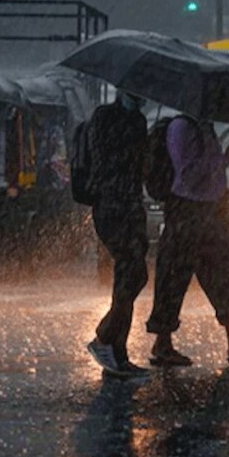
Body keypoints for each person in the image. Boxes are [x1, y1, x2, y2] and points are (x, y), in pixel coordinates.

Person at [146, 115, 229, 367]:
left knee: (224, 273)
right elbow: (188, 174)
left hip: (212, 210)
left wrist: (226, 159)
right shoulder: (182, 128)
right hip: (188, 211)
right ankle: (162, 343)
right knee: (174, 276)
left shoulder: (205, 127)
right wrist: (221, 160)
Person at [85, 93, 150, 378]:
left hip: (132, 203)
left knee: (135, 275)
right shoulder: (105, 116)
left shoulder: (138, 119)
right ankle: (109, 343)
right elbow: (107, 157)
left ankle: (111, 342)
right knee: (130, 273)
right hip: (111, 204)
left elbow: (140, 166)